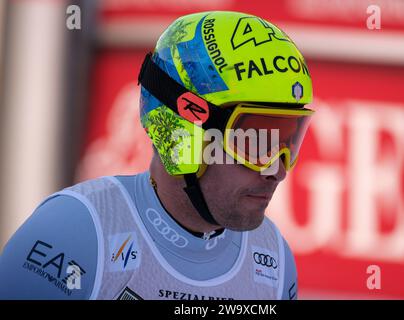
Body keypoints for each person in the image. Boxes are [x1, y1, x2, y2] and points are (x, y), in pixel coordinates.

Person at [0, 11, 313, 300]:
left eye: (288, 141)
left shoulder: (273, 258)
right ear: (186, 131)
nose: (278, 169)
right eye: (256, 141)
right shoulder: (75, 233)